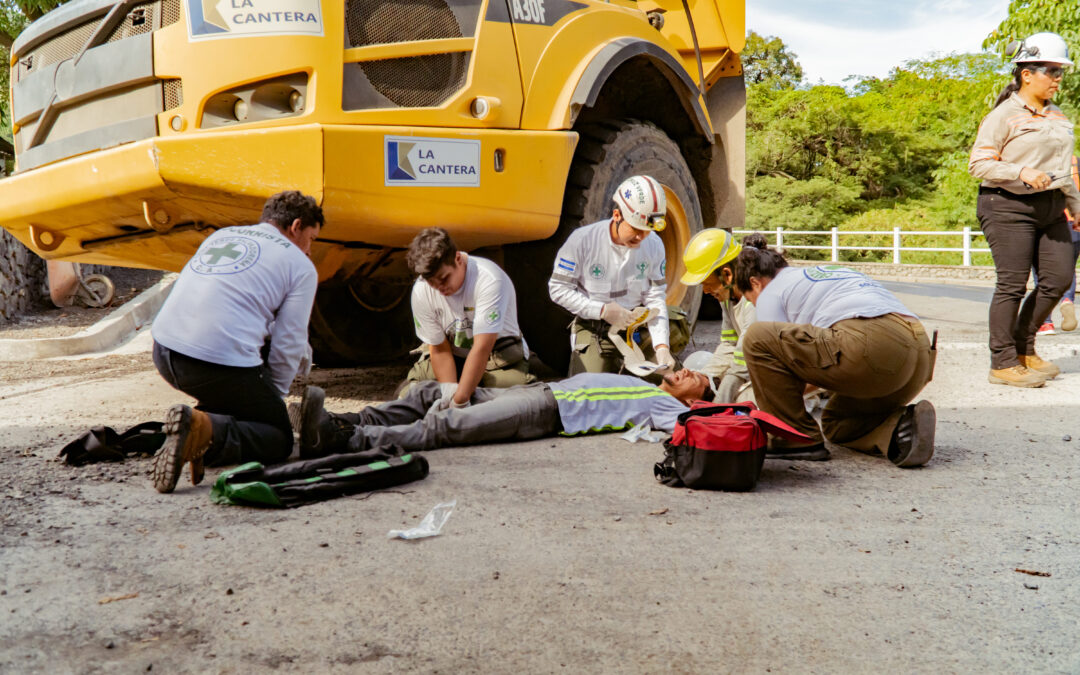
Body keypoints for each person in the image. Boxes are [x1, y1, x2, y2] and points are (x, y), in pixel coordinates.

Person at [149, 191, 323, 493]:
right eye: (311, 239)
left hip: (164, 351)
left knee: (240, 399)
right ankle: (203, 434)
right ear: (296, 226)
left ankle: (196, 424)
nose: (309, 250)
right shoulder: (301, 266)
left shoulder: (222, 236)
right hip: (213, 365)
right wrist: (273, 399)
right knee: (278, 437)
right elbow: (289, 341)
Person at [735, 245, 936, 467]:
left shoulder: (770, 292)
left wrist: (765, 404)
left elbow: (778, 366)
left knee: (757, 337)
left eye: (750, 300)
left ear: (755, 283)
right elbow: (817, 367)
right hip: (919, 356)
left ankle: (792, 439)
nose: (754, 305)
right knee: (837, 423)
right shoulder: (818, 277)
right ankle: (901, 429)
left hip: (874, 345)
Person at [969, 32, 1080, 387]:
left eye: (1060, 71)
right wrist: (1020, 171)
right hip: (1006, 205)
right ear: (1027, 74)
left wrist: (1075, 205)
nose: (1058, 78)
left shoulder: (1058, 116)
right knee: (1012, 284)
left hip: (1052, 206)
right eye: (1052, 71)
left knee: (1059, 279)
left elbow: (1063, 167)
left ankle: (1023, 349)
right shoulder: (1003, 115)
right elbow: (978, 164)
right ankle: (1002, 362)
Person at [296, 369, 713, 457]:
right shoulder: (647, 383)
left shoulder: (669, 407)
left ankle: (347, 440)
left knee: (448, 424)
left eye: (697, 378)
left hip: (547, 411)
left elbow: (704, 426)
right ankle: (347, 421)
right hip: (541, 390)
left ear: (694, 401)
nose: (687, 371)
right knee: (430, 392)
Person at [548, 175, 675, 375]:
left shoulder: (654, 245)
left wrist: (661, 347)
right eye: (635, 228)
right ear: (617, 215)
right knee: (591, 388)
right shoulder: (582, 241)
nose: (640, 237)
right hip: (595, 328)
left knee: (671, 380)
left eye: (646, 231)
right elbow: (558, 289)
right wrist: (602, 310)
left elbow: (655, 297)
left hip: (635, 328)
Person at [400, 227, 535, 407]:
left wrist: (460, 401)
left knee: (510, 401)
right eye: (432, 282)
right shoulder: (421, 290)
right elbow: (439, 349)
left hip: (496, 355)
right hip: (453, 354)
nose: (439, 288)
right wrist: (448, 396)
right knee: (411, 396)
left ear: (458, 259)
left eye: (444, 278)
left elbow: (482, 348)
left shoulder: (489, 280)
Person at [680, 229, 767, 402]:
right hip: (757, 365)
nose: (705, 291)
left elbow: (743, 362)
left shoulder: (756, 298)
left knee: (744, 401)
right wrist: (706, 376)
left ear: (727, 274)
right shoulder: (728, 297)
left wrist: (719, 402)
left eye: (707, 283)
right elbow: (729, 344)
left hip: (787, 372)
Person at [1036, 154, 1080, 335]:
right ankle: (1067, 300)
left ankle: (1045, 322)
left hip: (1048, 219)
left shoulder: (1039, 160)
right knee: (1067, 267)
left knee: (1041, 269)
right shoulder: (1075, 162)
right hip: (1075, 220)